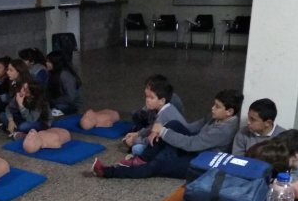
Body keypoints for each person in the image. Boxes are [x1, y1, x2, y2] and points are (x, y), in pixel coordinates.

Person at [92, 89, 243, 179]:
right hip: (195, 150)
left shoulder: (225, 129)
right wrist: (161, 130)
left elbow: (192, 144)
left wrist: (163, 132)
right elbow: (190, 128)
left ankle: (108, 172)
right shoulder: (215, 117)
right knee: (173, 124)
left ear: (229, 112)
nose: (212, 108)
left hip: (203, 161)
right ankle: (142, 159)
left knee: (158, 164)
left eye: (217, 106)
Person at [123, 75, 187, 157]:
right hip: (167, 140)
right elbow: (152, 126)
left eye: (151, 97)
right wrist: (138, 134)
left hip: (174, 148)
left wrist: (135, 140)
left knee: (137, 148)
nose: (147, 100)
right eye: (147, 96)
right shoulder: (164, 106)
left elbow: (152, 139)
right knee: (137, 115)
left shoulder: (165, 113)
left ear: (162, 100)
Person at [46, 50, 82, 116]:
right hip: (59, 100)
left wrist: (54, 100)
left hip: (71, 105)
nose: (46, 64)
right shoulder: (53, 73)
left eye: (49, 62)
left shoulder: (65, 75)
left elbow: (71, 97)